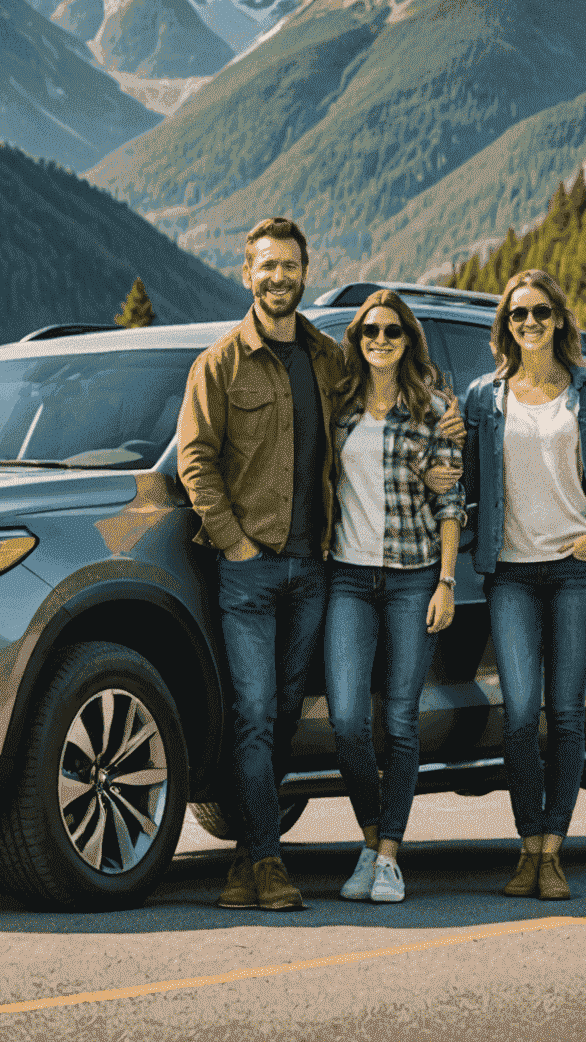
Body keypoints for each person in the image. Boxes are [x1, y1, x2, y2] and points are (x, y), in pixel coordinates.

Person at [178, 216, 343, 912]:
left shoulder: (330, 360)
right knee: (250, 712)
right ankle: (270, 862)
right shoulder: (219, 364)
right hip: (248, 570)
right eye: (266, 266)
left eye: (290, 265)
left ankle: (249, 858)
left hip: (315, 569)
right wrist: (234, 541)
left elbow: (385, 411)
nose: (279, 277)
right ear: (247, 275)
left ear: (307, 272)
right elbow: (195, 459)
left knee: (281, 714)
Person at [461, 268, 586, 901]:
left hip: (576, 572)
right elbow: (469, 484)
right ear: (505, 326)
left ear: (559, 319)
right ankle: (525, 844)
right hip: (510, 575)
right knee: (518, 710)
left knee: (564, 710)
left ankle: (553, 850)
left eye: (538, 313)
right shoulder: (485, 396)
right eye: (516, 315)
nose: (527, 323)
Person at [325, 291, 466, 905]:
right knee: (348, 718)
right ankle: (369, 838)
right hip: (348, 580)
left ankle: (388, 858)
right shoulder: (340, 409)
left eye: (392, 331)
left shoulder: (434, 411)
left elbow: (450, 502)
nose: (379, 340)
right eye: (368, 332)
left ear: (408, 340)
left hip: (412, 579)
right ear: (356, 341)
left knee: (401, 721)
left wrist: (447, 582)